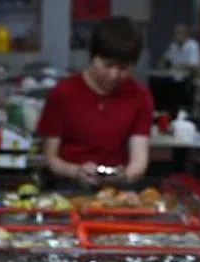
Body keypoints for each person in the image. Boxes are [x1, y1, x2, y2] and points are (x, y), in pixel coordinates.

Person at [37, 16, 153, 188]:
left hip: (116, 188)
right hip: (67, 185)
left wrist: (124, 176)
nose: (114, 75)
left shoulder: (140, 96)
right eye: (107, 65)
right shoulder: (62, 93)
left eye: (122, 68)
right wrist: (75, 171)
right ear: (93, 57)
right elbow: (50, 158)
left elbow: (138, 161)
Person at [158, 24, 200, 114]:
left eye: (180, 33)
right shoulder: (173, 46)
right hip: (173, 79)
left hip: (187, 80)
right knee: (157, 84)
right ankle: (164, 114)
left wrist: (176, 66)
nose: (177, 35)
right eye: (176, 33)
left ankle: (179, 113)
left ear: (186, 34)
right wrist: (163, 61)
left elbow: (193, 66)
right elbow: (163, 62)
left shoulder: (192, 45)